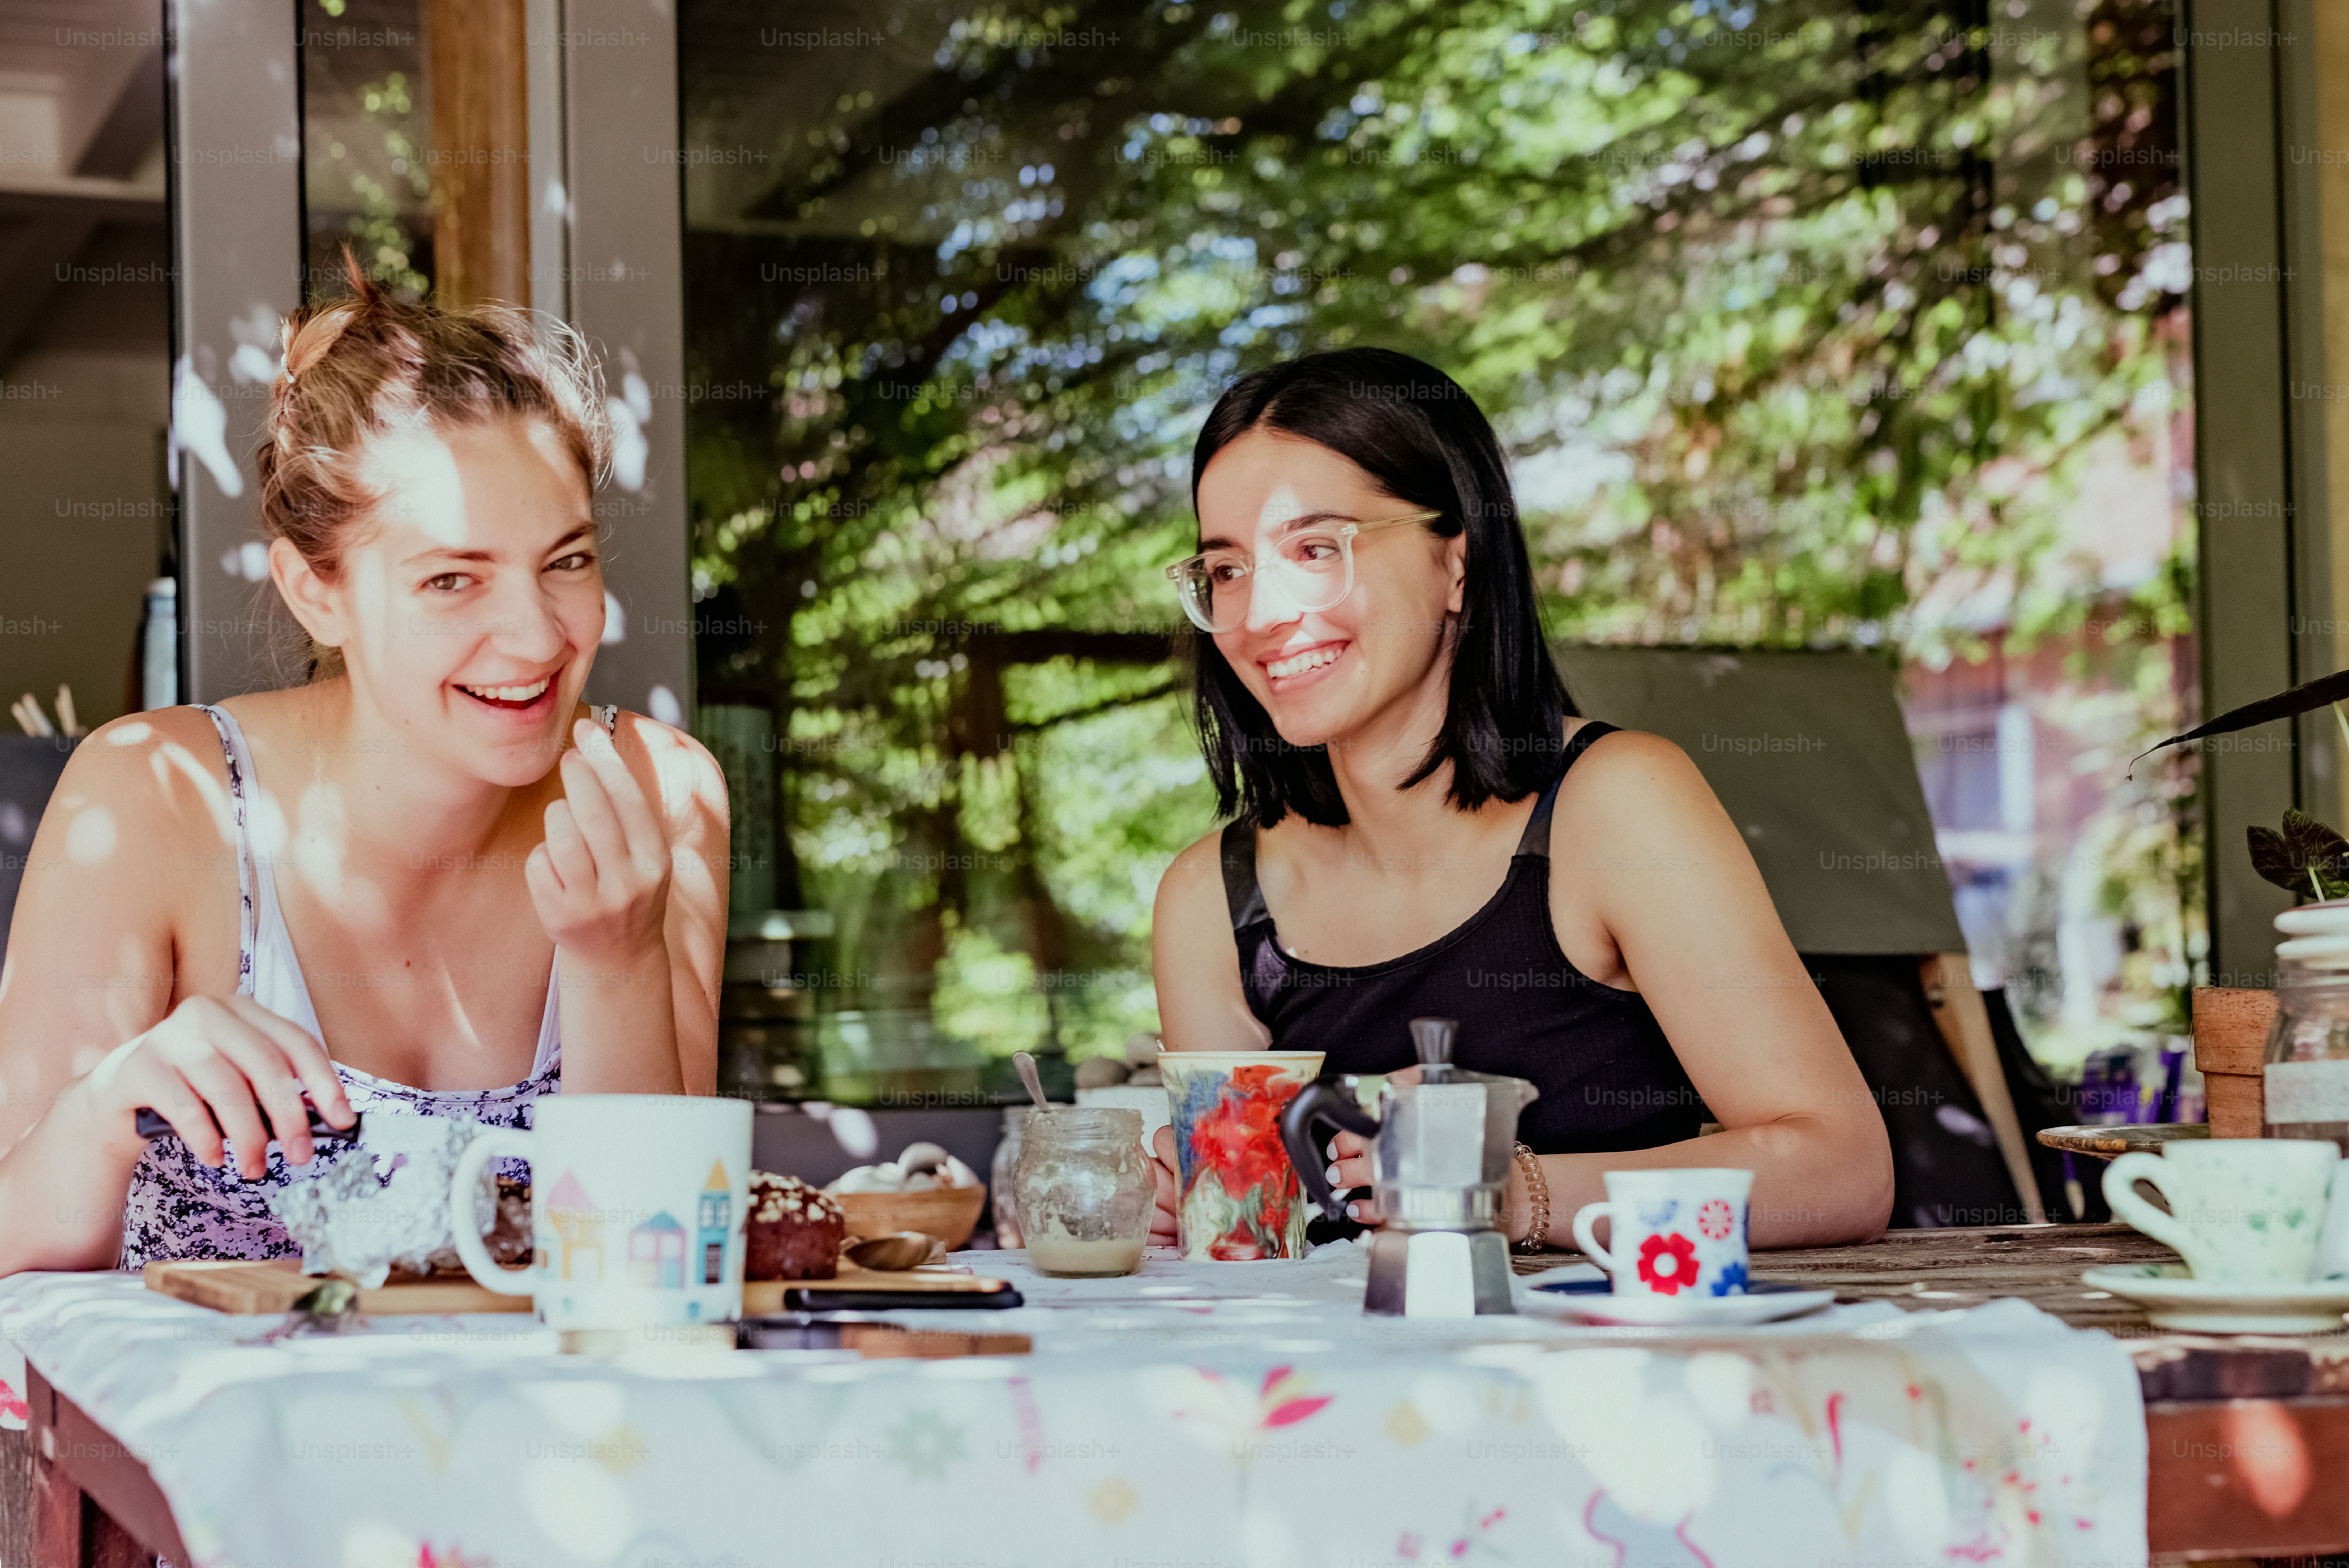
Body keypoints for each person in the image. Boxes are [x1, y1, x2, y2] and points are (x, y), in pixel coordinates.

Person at [0, 252, 729, 1277]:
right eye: (451, 579)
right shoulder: (155, 797)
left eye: (566, 560)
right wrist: (106, 1108)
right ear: (315, 591)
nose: (534, 637)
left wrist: (618, 964)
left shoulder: (659, 794)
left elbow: (656, 1265)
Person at [1146, 348, 1893, 1250]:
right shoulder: (1213, 903)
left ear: (1457, 559)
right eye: (1227, 571)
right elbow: (1254, 1248)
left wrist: (1507, 1193)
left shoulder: (1616, 805)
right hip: (1346, 1387)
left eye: (1316, 548)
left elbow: (1841, 1169)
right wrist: (1187, 1208)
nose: (1262, 613)